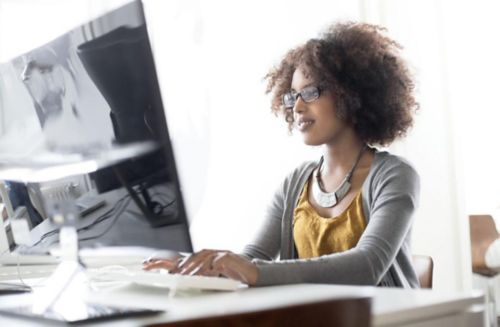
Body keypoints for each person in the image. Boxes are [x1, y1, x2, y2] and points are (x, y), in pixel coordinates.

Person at [144, 22, 420, 288]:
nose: (297, 106)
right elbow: (254, 258)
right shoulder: (296, 184)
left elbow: (367, 266)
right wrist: (197, 267)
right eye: (292, 95)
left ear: (351, 93)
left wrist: (250, 269)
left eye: (311, 92)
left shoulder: (394, 176)